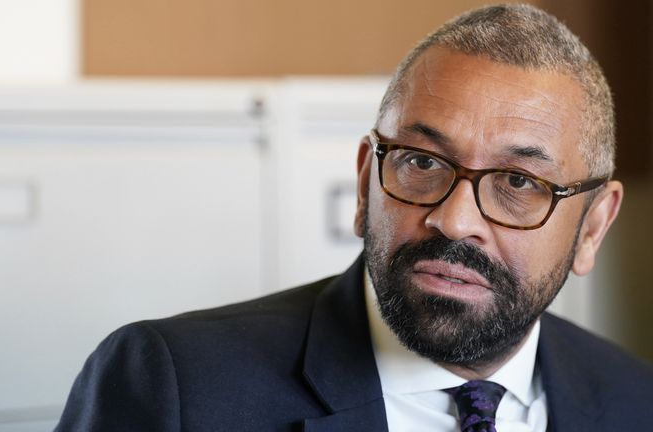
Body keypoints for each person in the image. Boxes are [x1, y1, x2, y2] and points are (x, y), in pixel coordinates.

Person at [55, 4, 653, 431]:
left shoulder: (636, 402)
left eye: (518, 182)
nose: (454, 219)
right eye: (422, 161)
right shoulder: (178, 388)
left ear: (593, 226)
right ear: (367, 180)